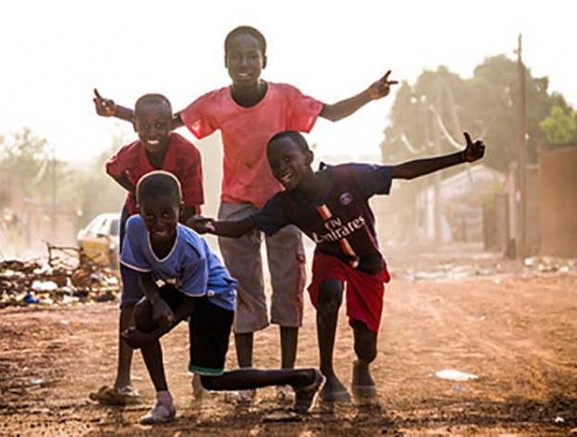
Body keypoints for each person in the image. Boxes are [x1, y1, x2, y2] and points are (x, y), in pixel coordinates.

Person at [93, 25, 397, 404]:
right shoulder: (215, 102)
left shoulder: (285, 97)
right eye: (236, 56)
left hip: (285, 204)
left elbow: (331, 113)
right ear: (225, 62)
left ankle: (288, 378)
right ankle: (247, 379)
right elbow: (165, 123)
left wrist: (369, 95)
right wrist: (116, 111)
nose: (244, 62)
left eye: (252, 55)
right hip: (236, 200)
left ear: (264, 60)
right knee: (240, 289)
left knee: (288, 285)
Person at [189, 130, 486, 403]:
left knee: (366, 345)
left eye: (288, 159)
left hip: (368, 265)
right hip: (331, 258)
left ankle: (361, 365)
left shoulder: (350, 177)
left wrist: (461, 157)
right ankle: (327, 373)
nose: (281, 169)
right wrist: (211, 226)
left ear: (308, 157)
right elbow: (244, 226)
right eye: (275, 164)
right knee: (329, 293)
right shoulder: (285, 204)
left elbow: (403, 172)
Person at [120, 171, 324, 424]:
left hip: (214, 295)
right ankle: (164, 401)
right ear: (138, 210)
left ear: (180, 210)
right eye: (149, 215)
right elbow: (144, 275)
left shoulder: (191, 248)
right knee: (143, 312)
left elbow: (191, 304)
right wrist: (157, 301)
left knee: (212, 379)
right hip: (185, 288)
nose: (158, 223)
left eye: (166, 214)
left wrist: (148, 337)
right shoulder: (135, 228)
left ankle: (302, 378)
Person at [100, 93, 204, 403]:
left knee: (193, 295)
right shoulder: (131, 155)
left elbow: (192, 202)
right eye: (144, 125)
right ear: (134, 126)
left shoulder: (187, 153)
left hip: (180, 223)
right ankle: (123, 379)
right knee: (131, 297)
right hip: (136, 220)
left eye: (160, 125)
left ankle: (201, 372)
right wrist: (137, 191)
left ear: (171, 125)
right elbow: (112, 168)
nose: (152, 132)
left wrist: (176, 240)